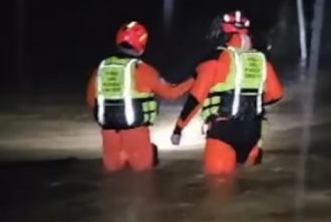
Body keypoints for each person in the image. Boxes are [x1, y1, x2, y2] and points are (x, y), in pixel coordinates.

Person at [170, 11, 284, 175]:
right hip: (253, 132)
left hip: (223, 131)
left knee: (219, 190)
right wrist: (249, 102)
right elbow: (276, 93)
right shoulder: (261, 59)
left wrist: (178, 129)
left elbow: (196, 98)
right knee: (248, 188)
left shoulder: (216, 58)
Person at [87, 21, 193, 172]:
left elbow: (91, 101)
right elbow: (172, 94)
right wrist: (194, 80)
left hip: (109, 137)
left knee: (113, 183)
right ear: (142, 42)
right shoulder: (143, 70)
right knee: (142, 184)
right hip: (137, 137)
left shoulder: (101, 69)